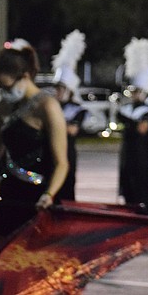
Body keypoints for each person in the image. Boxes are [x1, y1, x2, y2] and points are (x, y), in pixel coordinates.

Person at [0, 42, 69, 248]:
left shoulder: (48, 106)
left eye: (6, 87)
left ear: (24, 76)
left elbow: (62, 163)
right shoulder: (4, 105)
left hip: (39, 197)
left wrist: (49, 195)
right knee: (0, 254)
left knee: (32, 260)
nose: (4, 92)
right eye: (0, 87)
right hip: (10, 193)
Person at [118, 37, 148, 215]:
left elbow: (141, 128)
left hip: (143, 160)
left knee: (143, 195)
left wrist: (125, 119)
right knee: (128, 195)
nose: (133, 94)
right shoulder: (129, 109)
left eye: (136, 91)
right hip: (128, 158)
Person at [50, 29, 88, 201]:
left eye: (60, 88)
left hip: (67, 154)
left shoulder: (77, 109)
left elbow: (71, 130)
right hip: (50, 154)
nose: (57, 92)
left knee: (67, 191)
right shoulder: (52, 105)